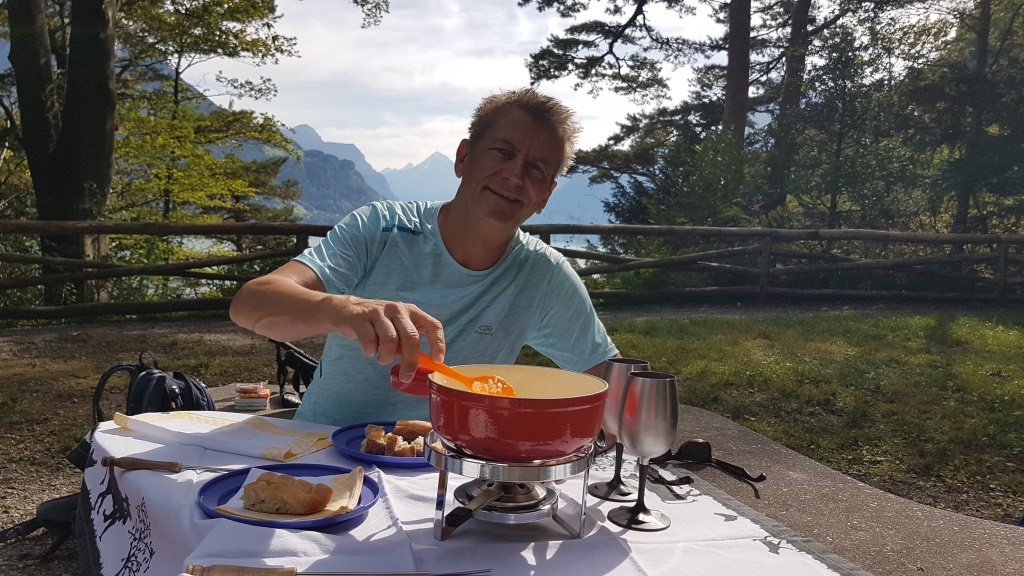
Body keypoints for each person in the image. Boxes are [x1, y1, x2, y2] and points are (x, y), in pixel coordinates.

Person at [229, 87, 619, 427]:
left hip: (448, 468)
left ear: (546, 196)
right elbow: (250, 306)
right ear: (464, 157)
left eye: (536, 169)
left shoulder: (543, 275)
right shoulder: (382, 229)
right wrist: (343, 310)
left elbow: (611, 384)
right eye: (503, 152)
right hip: (322, 454)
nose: (515, 176)